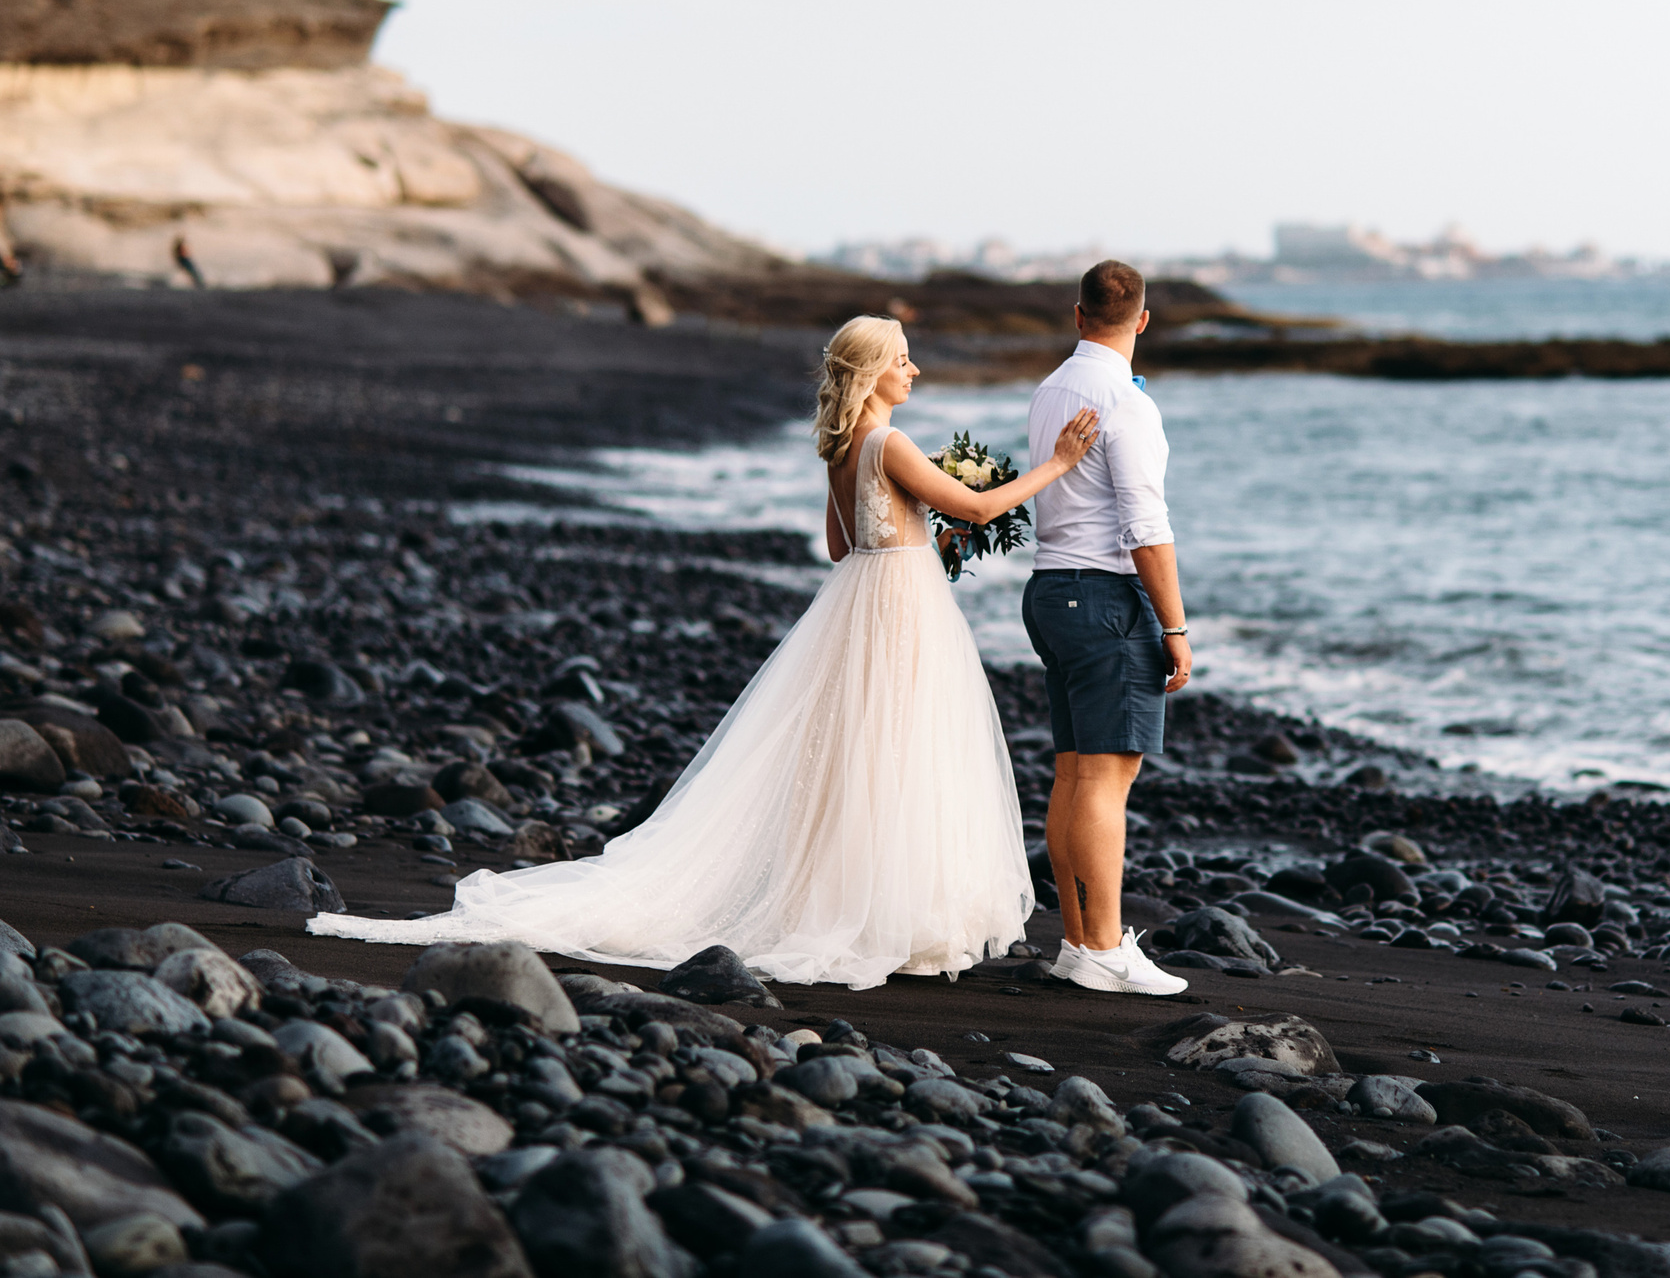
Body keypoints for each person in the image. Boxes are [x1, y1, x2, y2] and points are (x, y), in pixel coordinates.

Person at [307, 315, 1100, 989]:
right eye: (901, 358)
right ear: (871, 372)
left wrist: (909, 527)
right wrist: (1057, 465)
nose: (913, 368)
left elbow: (837, 543)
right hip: (901, 605)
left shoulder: (841, 444)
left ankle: (859, 904)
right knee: (899, 751)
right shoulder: (889, 441)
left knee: (860, 753)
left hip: (860, 597)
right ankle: (885, 913)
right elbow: (977, 503)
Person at [1022, 259, 1192, 997]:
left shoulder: (1050, 388)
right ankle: (1104, 948)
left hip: (1049, 587)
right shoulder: (1126, 400)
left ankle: (1075, 942)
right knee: (1104, 778)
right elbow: (1146, 527)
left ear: (1078, 313)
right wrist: (1176, 626)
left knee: (1072, 772)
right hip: (1102, 596)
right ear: (1143, 319)